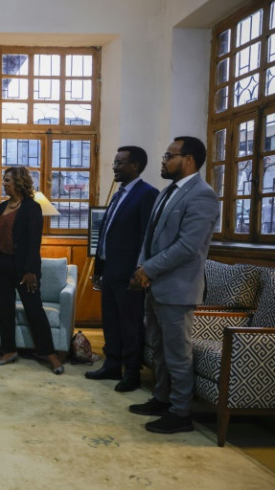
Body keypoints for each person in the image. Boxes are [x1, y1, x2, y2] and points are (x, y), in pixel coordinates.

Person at [129, 136, 219, 434]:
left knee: (177, 353)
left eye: (170, 155)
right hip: (154, 284)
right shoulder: (168, 192)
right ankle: (161, 398)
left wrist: (149, 269)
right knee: (157, 347)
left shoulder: (203, 195)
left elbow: (188, 247)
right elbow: (150, 237)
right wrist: (143, 268)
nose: (164, 161)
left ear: (189, 159)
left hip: (178, 289)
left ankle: (180, 413)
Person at [86, 146, 159, 392]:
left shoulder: (147, 194)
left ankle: (131, 373)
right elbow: (105, 233)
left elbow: (145, 237)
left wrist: (139, 271)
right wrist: (99, 267)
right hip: (109, 271)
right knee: (111, 322)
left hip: (129, 274)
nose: (115, 167)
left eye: (120, 163)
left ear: (135, 166)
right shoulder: (119, 194)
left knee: (130, 324)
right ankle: (112, 365)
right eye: (115, 163)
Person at [0, 167, 64, 374]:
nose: (4, 183)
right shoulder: (2, 207)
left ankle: (49, 354)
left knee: (34, 310)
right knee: (4, 309)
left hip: (23, 269)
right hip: (1, 265)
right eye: (4, 180)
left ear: (19, 182)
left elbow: (33, 243)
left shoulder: (32, 208)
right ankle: (8, 351)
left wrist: (30, 271)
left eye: (8, 180)